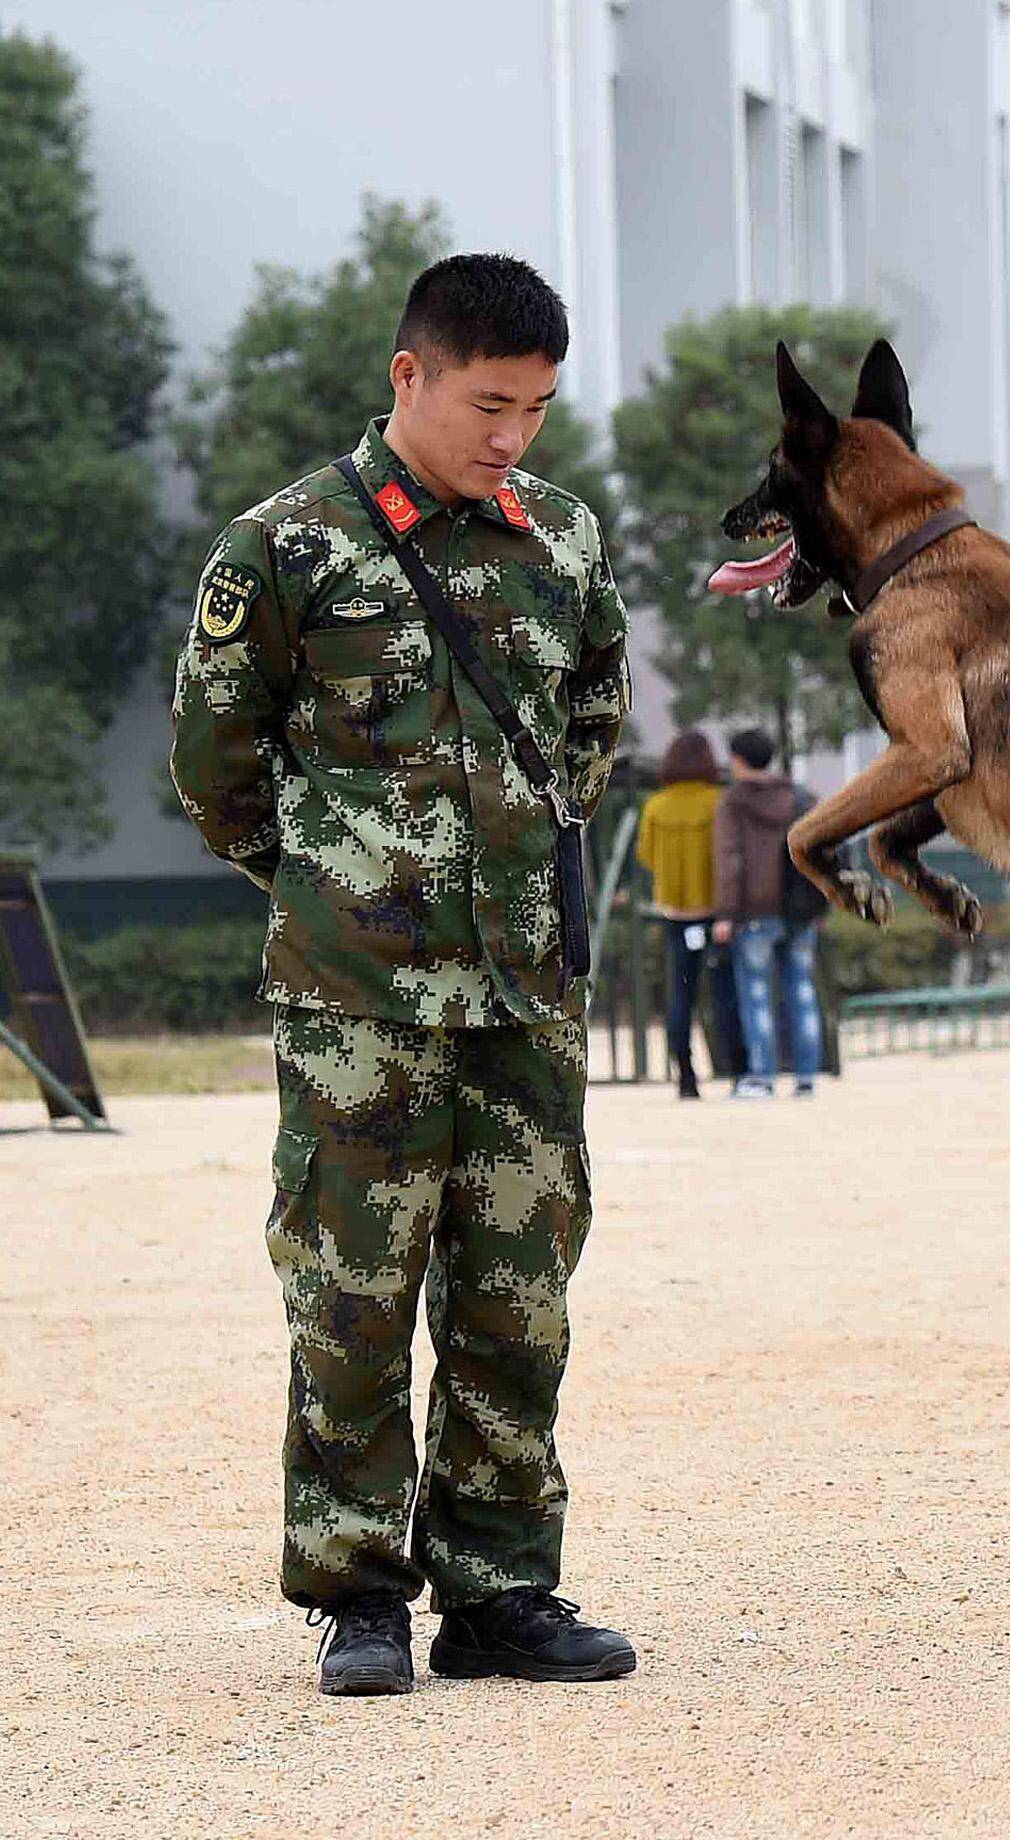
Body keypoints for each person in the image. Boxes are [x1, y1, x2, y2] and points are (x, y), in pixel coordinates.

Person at [169, 253, 639, 1696]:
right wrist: (329, 883)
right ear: (409, 378)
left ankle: (500, 1589)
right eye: (489, 404)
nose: (511, 438)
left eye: (537, 411)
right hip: (358, 1003)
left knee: (518, 1297)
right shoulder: (286, 548)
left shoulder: (559, 539)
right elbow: (214, 765)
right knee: (352, 1295)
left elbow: (592, 712)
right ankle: (360, 1590)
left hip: (522, 996)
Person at [711, 727, 822, 1099]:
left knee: (756, 995)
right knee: (802, 990)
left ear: (739, 760)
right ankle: (807, 1077)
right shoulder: (800, 797)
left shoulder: (733, 803)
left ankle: (762, 1076)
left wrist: (725, 915)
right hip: (799, 909)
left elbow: (730, 861)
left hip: (753, 912)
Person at [635, 727, 724, 1099]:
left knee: (680, 996)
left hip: (675, 913)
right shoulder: (718, 801)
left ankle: (686, 1076)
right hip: (717, 913)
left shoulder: (656, 806)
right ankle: (735, 1066)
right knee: (723, 992)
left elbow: (646, 855)